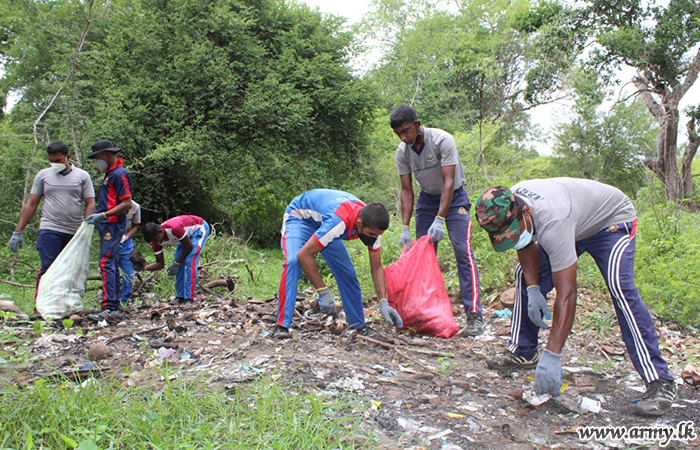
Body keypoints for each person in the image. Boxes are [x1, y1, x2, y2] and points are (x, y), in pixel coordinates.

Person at [474, 178, 676, 416]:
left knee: (620, 287)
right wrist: (533, 290)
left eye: (512, 230)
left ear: (525, 212)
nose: (512, 236)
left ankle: (659, 381)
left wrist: (552, 354)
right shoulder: (511, 201)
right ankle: (523, 351)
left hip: (610, 221)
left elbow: (567, 293)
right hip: (573, 222)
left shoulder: (553, 218)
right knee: (524, 275)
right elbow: (524, 241)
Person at [390, 105, 483, 336]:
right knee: (421, 254)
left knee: (463, 251)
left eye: (407, 130)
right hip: (427, 199)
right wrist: (404, 227)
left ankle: (474, 315)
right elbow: (406, 191)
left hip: (455, 199)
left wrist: (440, 219)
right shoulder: (403, 152)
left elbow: (449, 182)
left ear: (418, 125)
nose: (404, 137)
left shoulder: (442, 141)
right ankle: (422, 312)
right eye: (399, 133)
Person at [273, 189, 403, 340]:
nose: (374, 239)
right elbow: (304, 255)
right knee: (293, 262)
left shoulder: (373, 225)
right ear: (359, 224)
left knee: (347, 273)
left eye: (377, 235)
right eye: (371, 235)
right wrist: (323, 291)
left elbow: (376, 267)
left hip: (324, 223)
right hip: (300, 219)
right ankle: (281, 325)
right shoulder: (339, 222)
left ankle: (358, 326)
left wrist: (383, 302)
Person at [7, 141, 95, 306]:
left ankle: (65, 307)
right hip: (50, 228)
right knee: (48, 269)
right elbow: (31, 204)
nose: (55, 164)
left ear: (68, 157)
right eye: (52, 160)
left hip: (74, 232)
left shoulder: (82, 176)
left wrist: (86, 227)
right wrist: (18, 231)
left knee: (70, 271)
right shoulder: (43, 175)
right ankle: (41, 308)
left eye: (58, 160)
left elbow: (90, 203)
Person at [84, 140, 133, 322]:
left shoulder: (119, 175)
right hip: (107, 224)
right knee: (109, 263)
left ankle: (110, 306)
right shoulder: (109, 174)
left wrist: (103, 215)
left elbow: (127, 203)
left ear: (105, 155)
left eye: (97, 158)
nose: (97, 161)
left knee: (106, 262)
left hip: (113, 225)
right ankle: (112, 305)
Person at [142, 215, 211, 305]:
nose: (157, 243)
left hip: (199, 228)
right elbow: (160, 264)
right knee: (177, 262)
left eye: (157, 239)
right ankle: (180, 297)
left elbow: (189, 247)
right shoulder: (155, 242)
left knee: (189, 261)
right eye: (153, 241)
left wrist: (177, 263)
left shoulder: (174, 228)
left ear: (160, 232)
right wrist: (143, 267)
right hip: (185, 237)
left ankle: (189, 299)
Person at [118, 200, 141, 305]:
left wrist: (126, 237)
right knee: (108, 270)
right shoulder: (111, 203)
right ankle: (108, 299)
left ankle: (125, 300)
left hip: (126, 243)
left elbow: (135, 226)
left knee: (128, 272)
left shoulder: (135, 207)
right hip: (110, 241)